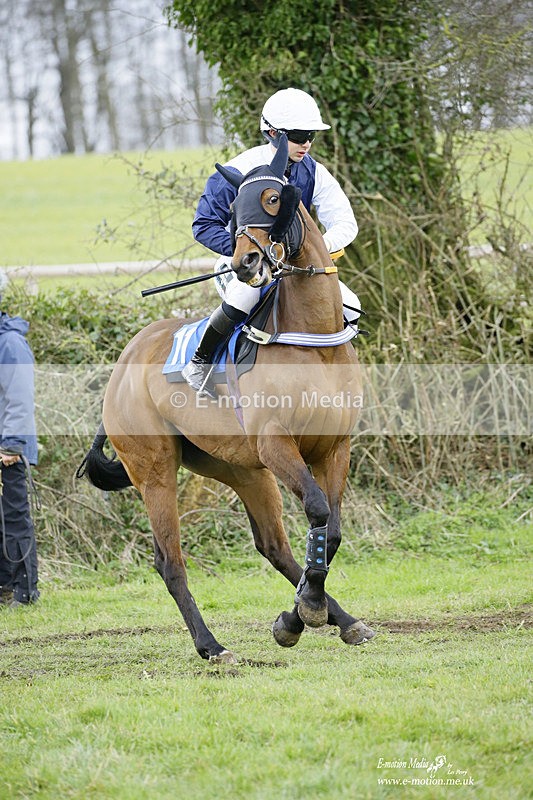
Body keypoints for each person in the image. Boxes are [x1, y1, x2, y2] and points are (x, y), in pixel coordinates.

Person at [182, 87, 361, 396]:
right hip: (245, 263)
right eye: (299, 135)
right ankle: (201, 363)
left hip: (296, 268)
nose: (306, 143)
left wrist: (314, 250)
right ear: (273, 132)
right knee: (244, 299)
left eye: (311, 136)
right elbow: (203, 225)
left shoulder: (314, 171)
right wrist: (252, 253)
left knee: (351, 306)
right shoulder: (238, 170)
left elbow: (345, 223)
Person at [0, 269, 40, 608]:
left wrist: (12, 444)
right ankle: (3, 587)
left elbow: (19, 396)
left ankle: (25, 591)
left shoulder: (10, 343)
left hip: (7, 450)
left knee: (14, 519)